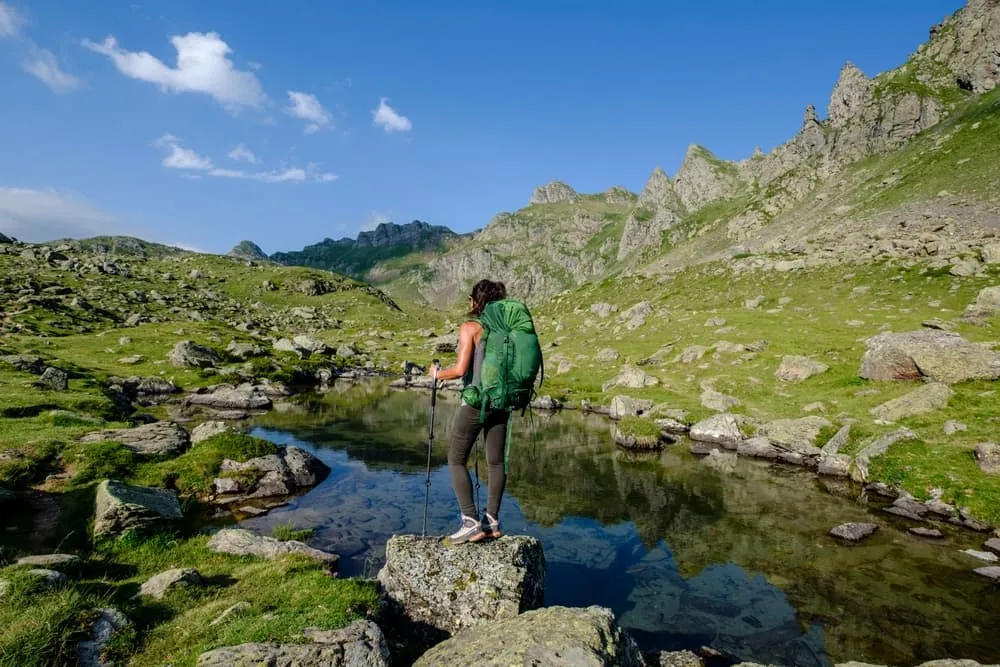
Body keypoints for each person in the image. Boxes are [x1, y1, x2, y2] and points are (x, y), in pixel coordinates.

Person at [431, 279, 509, 544]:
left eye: (470, 298)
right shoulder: (507, 330)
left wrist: (437, 374)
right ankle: (492, 521)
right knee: (496, 462)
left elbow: (461, 370)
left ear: (477, 301)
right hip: (502, 403)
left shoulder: (471, 327)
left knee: (455, 459)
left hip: (476, 401)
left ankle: (470, 522)